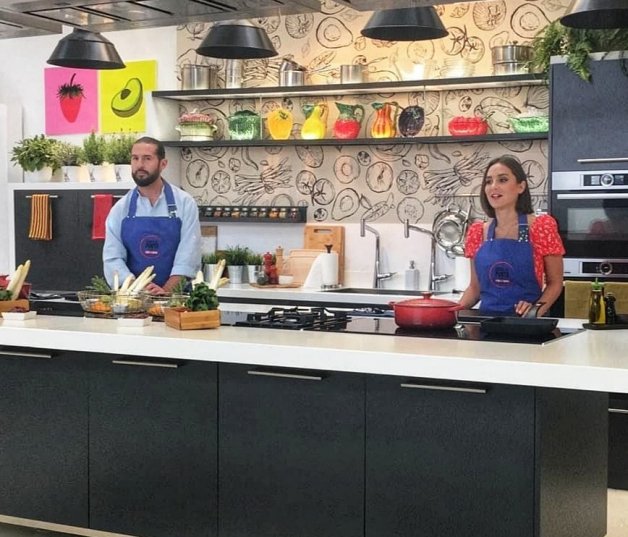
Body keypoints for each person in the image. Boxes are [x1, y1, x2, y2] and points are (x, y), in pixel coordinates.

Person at [459, 156, 565, 317]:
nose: (493, 186)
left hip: (526, 328)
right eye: (488, 181)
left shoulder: (541, 227)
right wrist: (449, 313)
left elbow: (555, 284)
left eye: (502, 180)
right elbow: (475, 288)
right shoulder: (478, 232)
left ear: (521, 186)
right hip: (486, 327)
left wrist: (534, 312)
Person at [103, 136, 201, 294]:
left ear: (163, 164)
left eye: (147, 159)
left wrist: (167, 291)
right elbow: (112, 258)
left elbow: (189, 255)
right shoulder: (120, 209)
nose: (140, 165)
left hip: (176, 299)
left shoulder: (185, 203)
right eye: (135, 158)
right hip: (133, 299)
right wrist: (137, 288)